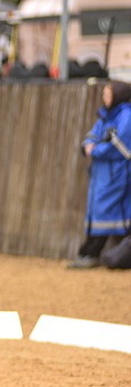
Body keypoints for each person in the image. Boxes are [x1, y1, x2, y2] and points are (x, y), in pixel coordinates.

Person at [69, 80, 131, 268]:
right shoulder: (105, 115)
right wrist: (87, 145)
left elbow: (122, 146)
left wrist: (95, 151)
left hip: (116, 174)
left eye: (107, 93)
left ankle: (92, 253)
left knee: (107, 209)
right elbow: (92, 134)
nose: (104, 97)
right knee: (97, 209)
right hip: (100, 174)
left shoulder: (126, 115)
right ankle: (89, 251)